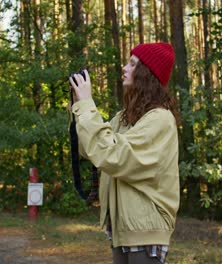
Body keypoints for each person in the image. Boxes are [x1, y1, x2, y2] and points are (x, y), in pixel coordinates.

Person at [69, 42, 180, 264]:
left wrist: (88, 105)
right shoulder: (125, 118)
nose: (124, 68)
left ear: (146, 74)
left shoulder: (160, 119)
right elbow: (91, 149)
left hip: (146, 230)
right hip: (123, 229)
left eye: (132, 64)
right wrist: (79, 107)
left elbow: (113, 155)